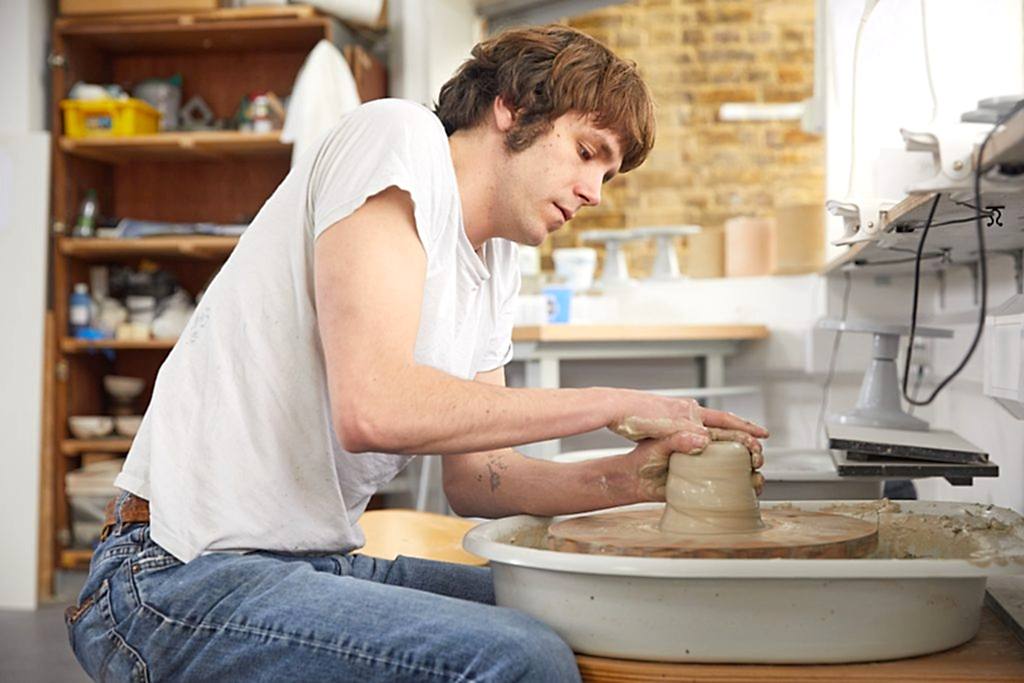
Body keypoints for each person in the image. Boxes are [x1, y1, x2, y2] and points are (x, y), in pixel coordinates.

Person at [66, 24, 768, 682]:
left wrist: (633, 476)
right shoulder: (396, 139)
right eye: (588, 153)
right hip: (170, 575)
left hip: (315, 564)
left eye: (610, 177)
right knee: (523, 657)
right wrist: (618, 401)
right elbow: (374, 408)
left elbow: (480, 479)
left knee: (591, 610)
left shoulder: (497, 261)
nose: (594, 193)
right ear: (511, 107)